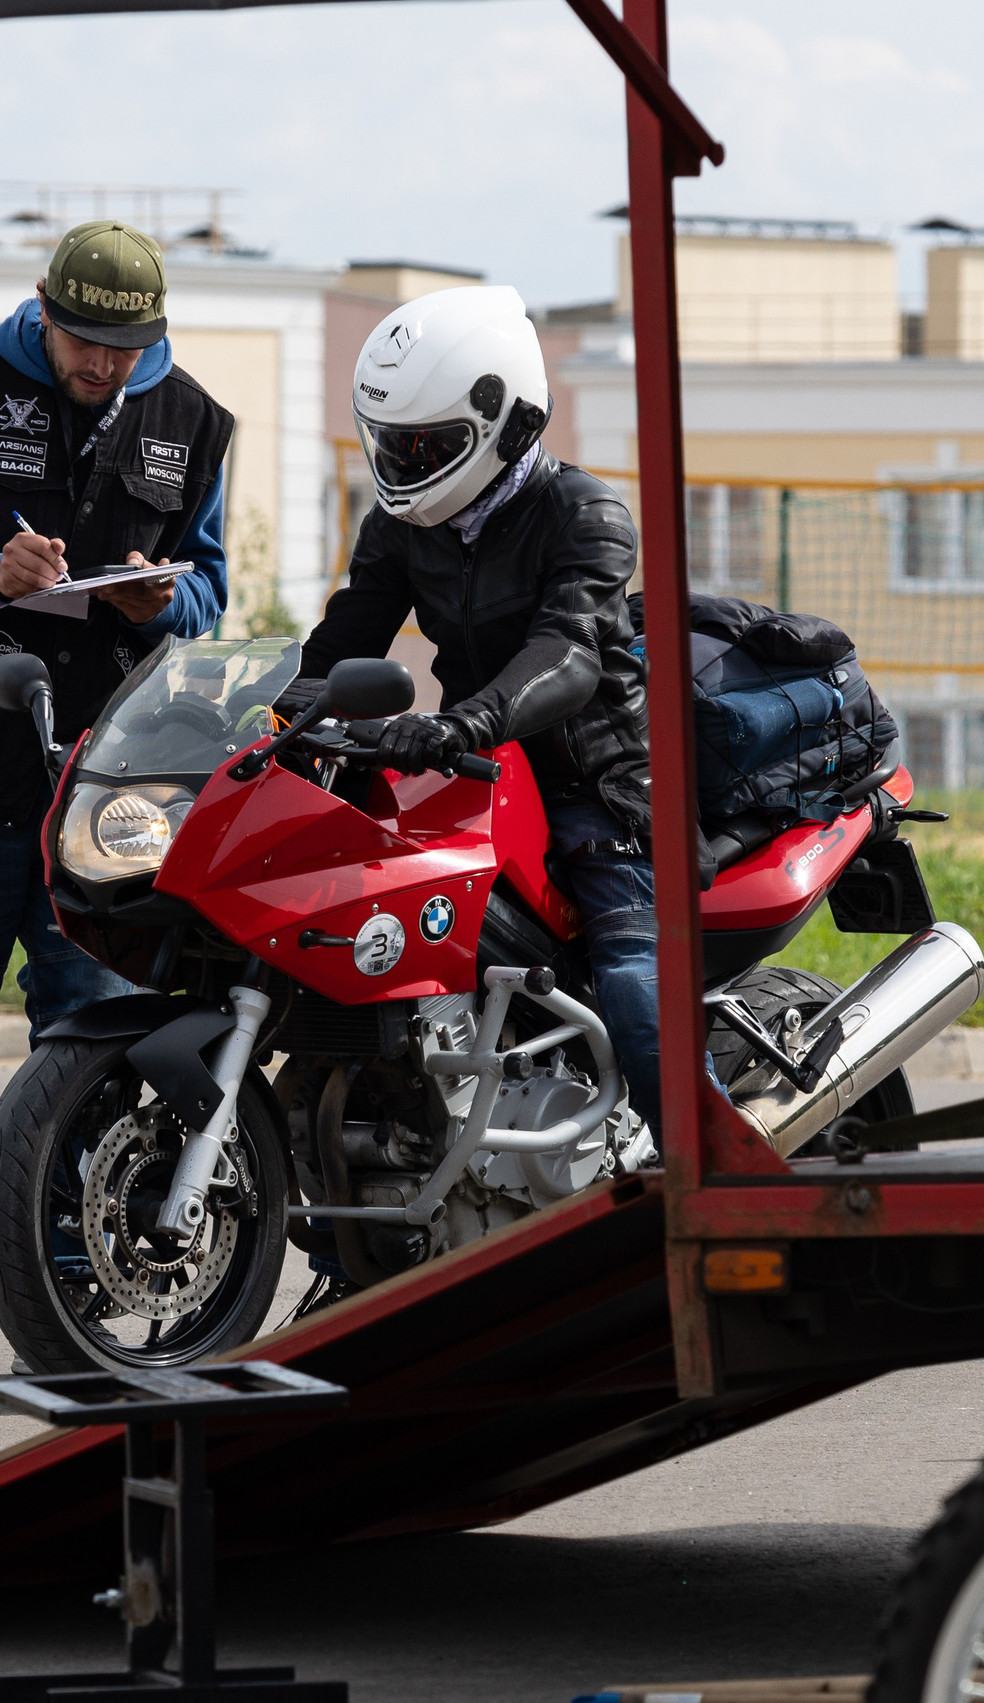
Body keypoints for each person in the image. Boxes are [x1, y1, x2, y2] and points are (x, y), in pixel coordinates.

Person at [0, 221, 235, 1380]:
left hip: (110, 794)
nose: (103, 367)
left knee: (100, 1055)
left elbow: (213, 589)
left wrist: (158, 606)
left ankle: (74, 1307)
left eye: (126, 349)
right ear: (43, 309)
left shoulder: (199, 421)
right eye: (84, 344)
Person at [290, 285, 668, 1132]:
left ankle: (713, 1173)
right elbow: (345, 637)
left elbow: (568, 654)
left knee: (634, 991)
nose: (403, 461)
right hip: (474, 777)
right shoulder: (403, 525)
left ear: (511, 423)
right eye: (391, 441)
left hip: (596, 789)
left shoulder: (586, 514)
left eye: (425, 444)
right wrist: (271, 718)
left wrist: (464, 722)